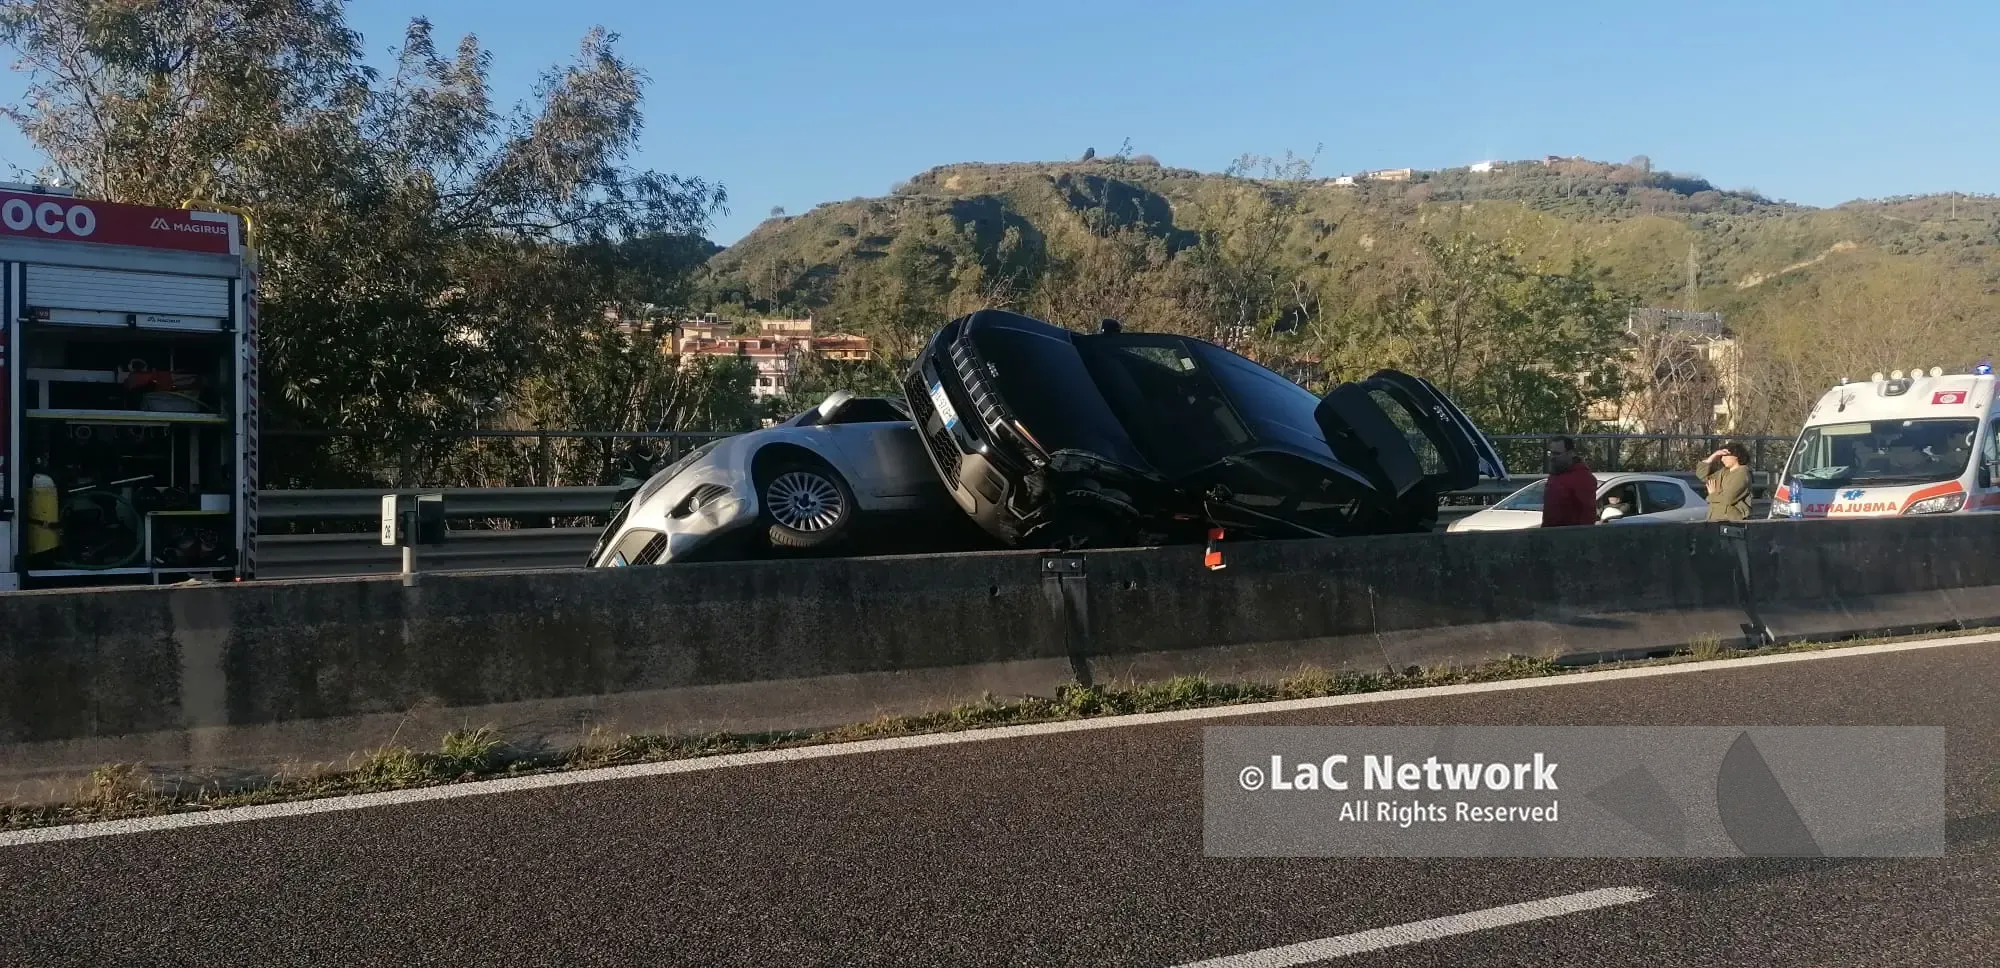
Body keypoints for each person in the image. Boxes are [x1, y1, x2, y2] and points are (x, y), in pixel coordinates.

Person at [1541, 436, 1597, 527]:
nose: (1552, 457)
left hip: (1569, 535)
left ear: (1570, 453)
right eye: (1550, 453)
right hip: (1551, 533)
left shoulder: (1582, 478)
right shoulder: (1556, 474)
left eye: (1556, 454)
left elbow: (1586, 514)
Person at [1698, 443, 1753, 521]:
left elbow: (1728, 498)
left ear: (1736, 456)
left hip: (1730, 520)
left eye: (1725, 456)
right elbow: (1702, 476)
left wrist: (1712, 495)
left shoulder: (1742, 473)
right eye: (1721, 457)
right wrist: (1712, 458)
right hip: (1715, 517)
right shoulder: (1723, 472)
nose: (1722, 459)